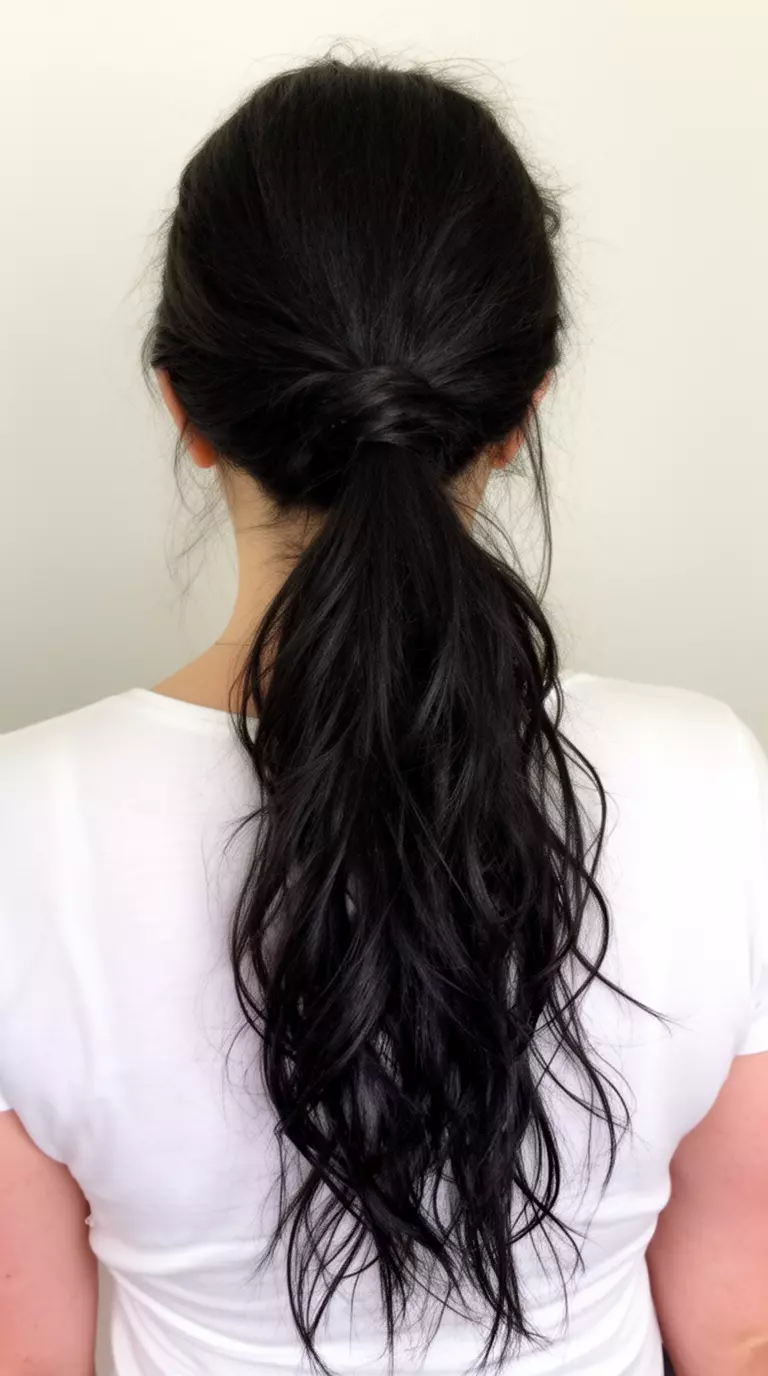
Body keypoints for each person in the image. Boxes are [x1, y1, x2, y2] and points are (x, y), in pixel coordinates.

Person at [0, 52, 766, 1376]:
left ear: (185, 408)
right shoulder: (712, 776)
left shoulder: (20, 825)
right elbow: (737, 1315)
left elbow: (32, 1347)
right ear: (521, 410)